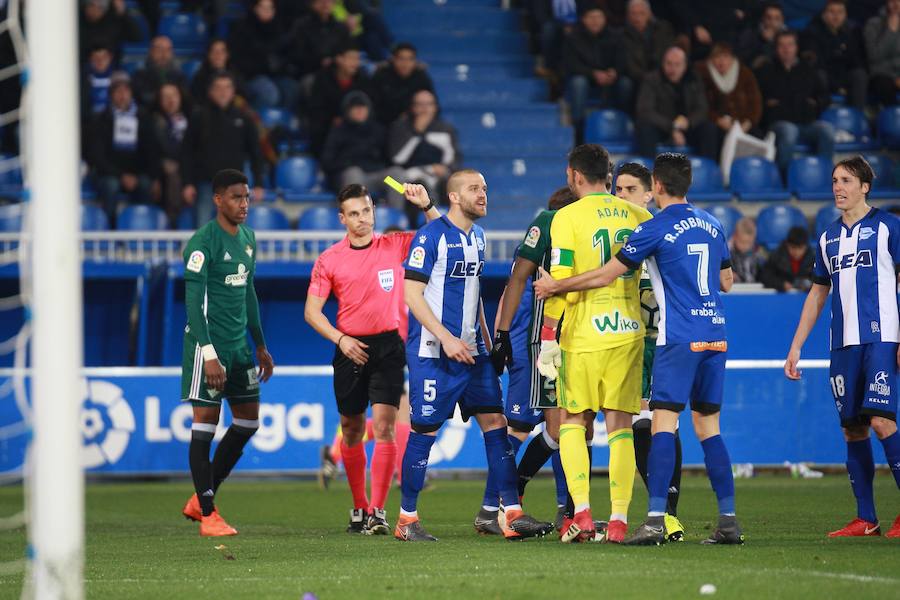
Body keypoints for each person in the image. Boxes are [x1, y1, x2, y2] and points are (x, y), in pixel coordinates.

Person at [534, 152, 744, 546]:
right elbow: (727, 281)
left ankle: (644, 518)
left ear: (657, 187)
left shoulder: (651, 225)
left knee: (643, 422)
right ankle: (726, 519)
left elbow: (607, 272)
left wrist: (555, 290)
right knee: (702, 428)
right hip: (709, 333)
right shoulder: (712, 224)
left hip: (661, 336)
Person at [395, 169, 547, 542]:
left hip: (471, 352)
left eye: (485, 187)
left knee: (496, 424)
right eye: (474, 189)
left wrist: (487, 341)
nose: (483, 194)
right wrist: (446, 338)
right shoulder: (428, 237)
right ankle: (406, 519)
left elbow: (474, 294)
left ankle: (510, 513)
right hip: (433, 353)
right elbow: (411, 295)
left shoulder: (477, 237)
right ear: (454, 197)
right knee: (425, 431)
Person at [532, 144, 652, 544]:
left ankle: (581, 514)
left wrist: (548, 335)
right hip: (629, 332)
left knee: (572, 420)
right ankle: (618, 521)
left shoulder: (566, 217)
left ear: (574, 176)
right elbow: (650, 285)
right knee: (620, 427)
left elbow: (558, 281)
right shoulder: (640, 214)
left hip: (583, 333)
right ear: (609, 174)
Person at [305, 183, 440, 534]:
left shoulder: (393, 245)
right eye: (354, 213)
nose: (362, 219)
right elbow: (312, 312)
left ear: (373, 212)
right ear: (342, 218)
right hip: (349, 347)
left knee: (384, 427)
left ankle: (378, 512)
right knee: (351, 429)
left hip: (388, 347)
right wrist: (341, 339)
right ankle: (359, 507)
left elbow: (441, 236)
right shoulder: (329, 259)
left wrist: (427, 205)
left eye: (366, 211)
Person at [785, 156, 900, 539]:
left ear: (865, 186)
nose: (838, 187)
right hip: (843, 345)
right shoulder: (827, 238)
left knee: (882, 422)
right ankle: (866, 519)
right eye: (835, 180)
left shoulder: (888, 227)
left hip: (881, 337)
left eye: (846, 180)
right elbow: (818, 294)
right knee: (853, 429)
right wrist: (796, 346)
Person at [179, 169, 275, 536]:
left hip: (239, 349)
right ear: (218, 199)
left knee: (248, 422)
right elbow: (193, 303)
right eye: (236, 197)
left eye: (247, 197)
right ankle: (207, 513)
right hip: (208, 350)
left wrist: (261, 344)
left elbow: (248, 293)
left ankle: (199, 498)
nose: (244, 204)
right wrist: (208, 354)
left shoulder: (248, 239)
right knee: (204, 426)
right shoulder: (202, 243)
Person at [486, 186, 577, 536]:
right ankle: (497, 506)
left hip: (550, 342)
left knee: (567, 426)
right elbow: (517, 288)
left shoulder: (543, 244)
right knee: (524, 428)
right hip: (534, 346)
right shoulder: (548, 236)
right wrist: (503, 337)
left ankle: (569, 510)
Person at [613, 161, 685, 542]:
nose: (621, 196)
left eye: (628, 189)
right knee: (636, 425)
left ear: (649, 194)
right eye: (617, 189)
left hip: (662, 343)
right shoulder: (612, 233)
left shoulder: (663, 230)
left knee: (662, 424)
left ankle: (667, 513)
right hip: (623, 341)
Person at [181, 73, 264, 225]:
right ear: (210, 91)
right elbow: (187, 152)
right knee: (204, 232)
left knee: (235, 235)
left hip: (236, 188)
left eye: (227, 88)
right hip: (206, 185)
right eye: (218, 88)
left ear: (233, 91)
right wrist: (187, 183)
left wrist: (258, 183)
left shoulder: (244, 118)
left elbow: (255, 153)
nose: (223, 92)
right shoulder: (198, 117)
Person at [755, 31, 834, 174]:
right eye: (782, 45)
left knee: (827, 131)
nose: (786, 49)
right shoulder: (765, 71)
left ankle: (824, 174)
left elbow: (825, 96)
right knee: (789, 131)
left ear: (796, 47)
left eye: (790, 45)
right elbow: (757, 100)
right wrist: (769, 107)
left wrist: (815, 104)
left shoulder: (808, 69)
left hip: (806, 122)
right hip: (778, 123)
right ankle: (783, 178)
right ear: (776, 48)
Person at [87, 71, 157, 224]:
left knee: (145, 184)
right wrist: (121, 175)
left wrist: (137, 175)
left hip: (136, 173)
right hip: (109, 174)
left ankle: (140, 226)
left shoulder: (143, 117)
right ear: (111, 95)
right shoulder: (101, 119)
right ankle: (110, 229)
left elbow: (151, 151)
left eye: (126, 91)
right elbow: (97, 156)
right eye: (118, 91)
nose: (122, 95)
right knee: (111, 185)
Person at [321, 91, 406, 206]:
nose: (360, 111)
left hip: (377, 176)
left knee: (396, 174)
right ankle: (356, 218)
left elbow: (389, 158)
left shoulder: (378, 130)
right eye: (355, 108)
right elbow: (327, 161)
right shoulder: (338, 131)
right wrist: (348, 163)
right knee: (354, 173)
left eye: (363, 107)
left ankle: (395, 215)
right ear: (347, 111)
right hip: (352, 178)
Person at [387, 90, 460, 221]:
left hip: (439, 176)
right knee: (411, 185)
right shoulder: (400, 127)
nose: (424, 109)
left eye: (429, 104)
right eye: (420, 104)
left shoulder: (446, 129)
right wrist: (417, 132)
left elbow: (453, 159)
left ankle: (451, 226)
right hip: (409, 178)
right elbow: (397, 160)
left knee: (453, 183)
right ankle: (407, 224)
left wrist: (444, 168)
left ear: (435, 107)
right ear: (412, 107)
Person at [561, 7, 631, 141]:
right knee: (578, 83)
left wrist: (615, 71)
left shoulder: (616, 37)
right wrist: (593, 73)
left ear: (605, 20)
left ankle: (624, 122)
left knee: (626, 83)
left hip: (611, 78)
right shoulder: (574, 38)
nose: (595, 21)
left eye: (599, 17)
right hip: (586, 77)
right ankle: (578, 129)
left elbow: (623, 60)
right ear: (584, 20)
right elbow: (571, 64)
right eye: (591, 17)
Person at [635, 46, 718, 159]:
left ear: (685, 66)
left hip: (687, 127)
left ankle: (707, 171)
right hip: (662, 128)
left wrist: (689, 122)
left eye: (677, 64)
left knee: (709, 129)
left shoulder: (694, 79)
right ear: (663, 63)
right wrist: (672, 127)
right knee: (645, 128)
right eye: (669, 64)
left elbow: (702, 108)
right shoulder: (651, 80)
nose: (672, 69)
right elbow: (645, 110)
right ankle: (648, 171)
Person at [227, 0, 298, 110]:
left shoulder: (278, 28)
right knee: (270, 94)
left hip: (274, 74)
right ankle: (259, 123)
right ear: (255, 9)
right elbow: (239, 59)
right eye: (263, 8)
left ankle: (282, 122)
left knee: (292, 89)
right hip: (251, 75)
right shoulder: (242, 27)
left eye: (270, 8)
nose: (266, 11)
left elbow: (285, 55)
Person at [801, 0, 867, 110]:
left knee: (859, 74)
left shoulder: (852, 31)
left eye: (840, 12)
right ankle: (823, 113)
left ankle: (858, 115)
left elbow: (857, 61)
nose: (836, 16)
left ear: (845, 14)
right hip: (825, 76)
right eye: (832, 12)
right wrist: (837, 87)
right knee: (820, 75)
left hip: (844, 75)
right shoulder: (812, 32)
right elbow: (818, 64)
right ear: (824, 14)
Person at [307, 44, 372, 156]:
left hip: (358, 130)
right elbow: (316, 109)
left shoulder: (363, 79)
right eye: (351, 58)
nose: (356, 63)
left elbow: (370, 108)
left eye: (358, 59)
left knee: (395, 173)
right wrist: (335, 119)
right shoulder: (323, 79)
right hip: (328, 132)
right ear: (339, 59)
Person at [698, 43, 763, 144]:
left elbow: (755, 104)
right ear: (711, 59)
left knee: (756, 134)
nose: (721, 61)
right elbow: (702, 105)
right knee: (711, 132)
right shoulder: (703, 75)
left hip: (742, 123)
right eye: (717, 57)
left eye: (725, 57)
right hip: (717, 124)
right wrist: (718, 120)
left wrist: (747, 123)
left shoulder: (745, 74)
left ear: (732, 59)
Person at [151, 83, 190, 224]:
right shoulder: (154, 122)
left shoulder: (191, 119)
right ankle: (173, 222)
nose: (171, 100)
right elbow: (152, 152)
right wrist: (163, 164)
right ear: (160, 100)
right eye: (166, 97)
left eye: (174, 95)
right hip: (163, 175)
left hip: (190, 168)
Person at [370, 43, 434, 126]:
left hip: (415, 124)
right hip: (384, 125)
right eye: (401, 59)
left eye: (410, 59)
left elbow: (433, 105)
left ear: (415, 61)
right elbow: (373, 106)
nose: (405, 63)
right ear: (393, 59)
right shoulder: (381, 76)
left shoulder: (421, 77)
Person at [622, 0, 676, 87]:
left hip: (660, 74)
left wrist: (658, 75)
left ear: (649, 14)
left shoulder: (663, 29)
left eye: (641, 13)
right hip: (637, 77)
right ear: (628, 16)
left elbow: (668, 54)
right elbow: (629, 65)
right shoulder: (623, 35)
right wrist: (646, 78)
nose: (637, 18)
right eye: (633, 14)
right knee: (625, 83)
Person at [132, 35, 188, 108]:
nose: (164, 54)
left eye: (168, 50)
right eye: (159, 50)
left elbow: (185, 98)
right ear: (151, 52)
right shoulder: (140, 74)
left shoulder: (179, 75)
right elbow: (142, 98)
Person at [864, 0, 900, 108]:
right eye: (893, 1)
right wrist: (891, 32)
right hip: (881, 74)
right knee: (884, 85)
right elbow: (874, 56)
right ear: (887, 3)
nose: (896, 4)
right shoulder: (873, 24)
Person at [760, 226, 814, 292]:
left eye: (800, 248)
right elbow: (765, 276)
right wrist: (781, 284)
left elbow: (820, 279)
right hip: (780, 298)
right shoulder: (777, 256)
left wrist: (810, 285)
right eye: (793, 247)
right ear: (787, 245)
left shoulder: (812, 259)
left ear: (806, 247)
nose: (796, 252)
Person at [736, 2, 786, 69]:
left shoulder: (789, 35)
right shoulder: (750, 33)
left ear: (782, 20)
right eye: (769, 17)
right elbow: (741, 57)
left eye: (777, 18)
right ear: (763, 18)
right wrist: (761, 41)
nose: (772, 22)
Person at [729, 217, 765, 283]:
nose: (746, 246)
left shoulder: (757, 256)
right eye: (742, 242)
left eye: (749, 243)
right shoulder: (726, 254)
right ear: (734, 237)